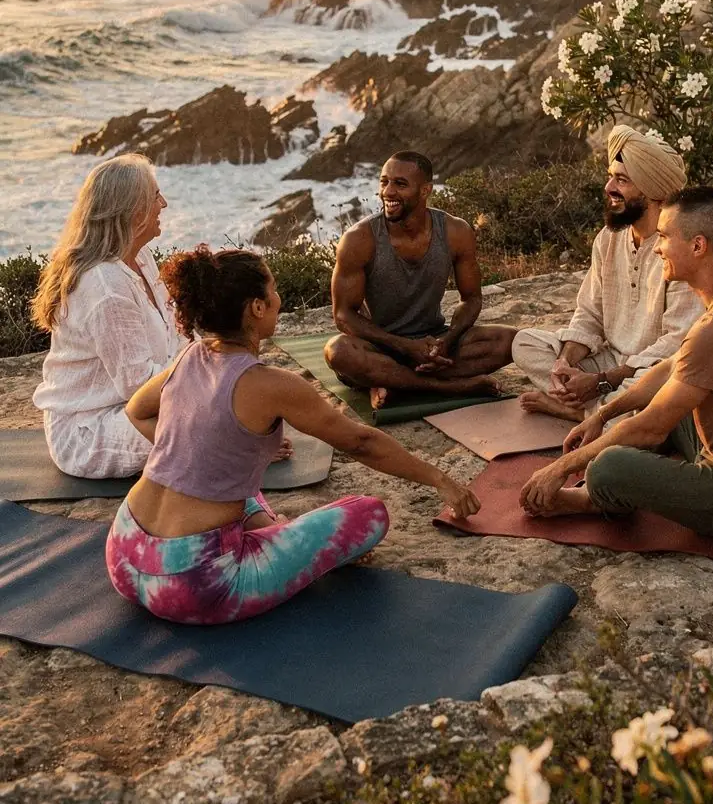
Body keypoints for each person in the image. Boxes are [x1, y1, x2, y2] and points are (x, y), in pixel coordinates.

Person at [106, 245, 480, 625]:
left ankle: (267, 530)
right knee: (368, 514)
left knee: (245, 489)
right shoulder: (271, 384)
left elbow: (137, 410)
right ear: (256, 307)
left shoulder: (187, 358)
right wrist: (440, 479)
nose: (278, 299)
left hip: (123, 551)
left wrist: (205, 453)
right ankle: (278, 536)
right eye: (273, 289)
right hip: (196, 584)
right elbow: (361, 442)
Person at [520, 187, 713, 540]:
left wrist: (559, 468)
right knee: (660, 406)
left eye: (663, 236)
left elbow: (652, 427)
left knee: (609, 468)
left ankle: (593, 497)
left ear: (697, 246)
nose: (657, 247)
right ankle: (626, 479)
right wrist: (602, 414)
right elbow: (670, 369)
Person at [513, 125, 702, 421]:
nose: (609, 188)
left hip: (647, 370)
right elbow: (589, 313)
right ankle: (596, 410)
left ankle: (583, 412)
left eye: (622, 180)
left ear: (652, 192)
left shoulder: (679, 248)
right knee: (524, 343)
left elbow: (676, 344)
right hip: (608, 359)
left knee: (660, 391)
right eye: (611, 176)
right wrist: (565, 362)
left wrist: (604, 381)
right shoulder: (608, 238)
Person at [324, 151, 516, 410]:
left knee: (511, 341)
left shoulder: (456, 231)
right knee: (339, 352)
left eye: (400, 184)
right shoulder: (359, 239)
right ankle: (449, 386)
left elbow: (471, 298)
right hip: (379, 345)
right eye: (384, 182)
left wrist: (447, 343)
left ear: (425, 190)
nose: (387, 192)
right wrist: (405, 347)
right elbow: (343, 315)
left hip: (433, 342)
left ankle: (394, 381)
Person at [31, 155, 183, 478]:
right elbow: (138, 384)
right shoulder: (105, 286)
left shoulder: (139, 256)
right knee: (206, 422)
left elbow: (174, 331)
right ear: (134, 211)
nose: (164, 204)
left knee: (219, 403)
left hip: (137, 405)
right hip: (89, 428)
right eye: (156, 196)